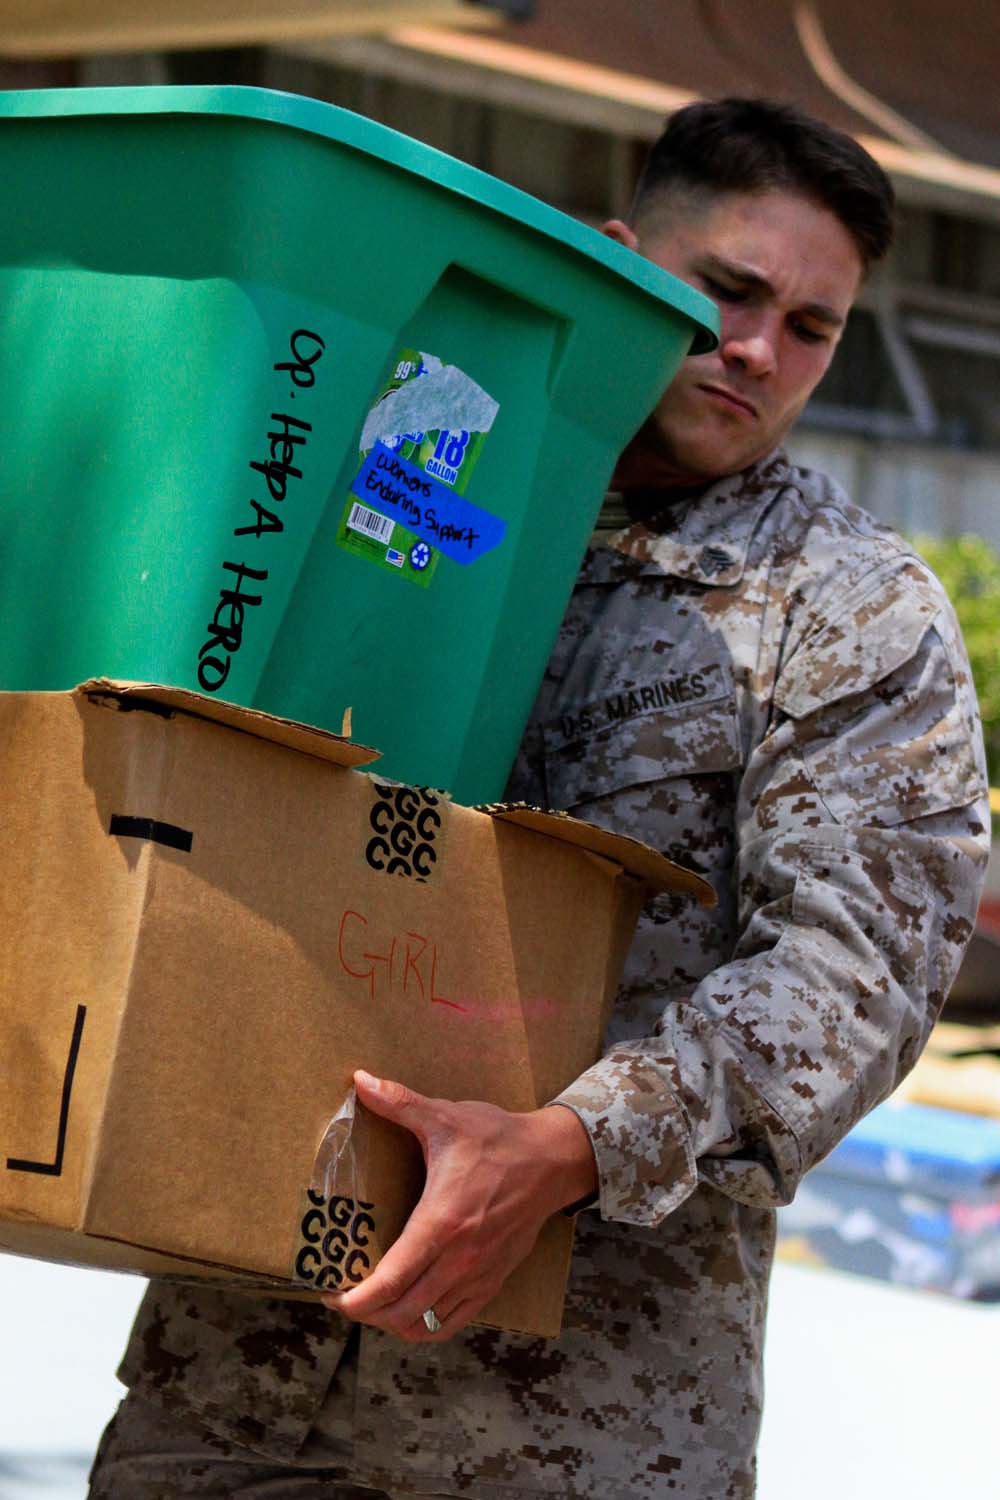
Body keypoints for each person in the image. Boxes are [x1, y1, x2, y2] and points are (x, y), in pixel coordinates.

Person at [89, 97, 989, 1499]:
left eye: (812, 326)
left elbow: (857, 971)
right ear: (619, 260)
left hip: (571, 1422)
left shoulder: (850, 606)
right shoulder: (399, 481)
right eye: (728, 289)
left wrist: (571, 1145)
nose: (758, 349)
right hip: (236, 1377)